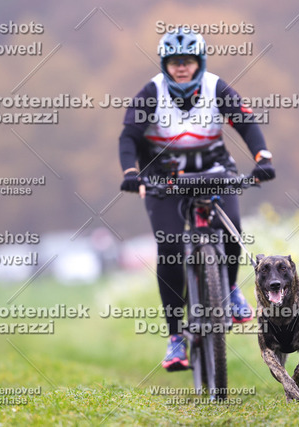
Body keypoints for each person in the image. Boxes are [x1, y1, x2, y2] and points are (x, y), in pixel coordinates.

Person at [118, 27, 275, 371]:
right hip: (164, 179)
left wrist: (262, 157)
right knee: (170, 247)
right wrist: (131, 172)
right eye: (174, 62)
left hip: (214, 171)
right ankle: (176, 338)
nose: (181, 67)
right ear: (164, 64)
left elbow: (246, 123)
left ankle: (229, 289)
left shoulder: (216, 87)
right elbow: (129, 136)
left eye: (187, 61)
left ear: (199, 62)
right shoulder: (151, 93)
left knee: (232, 229)